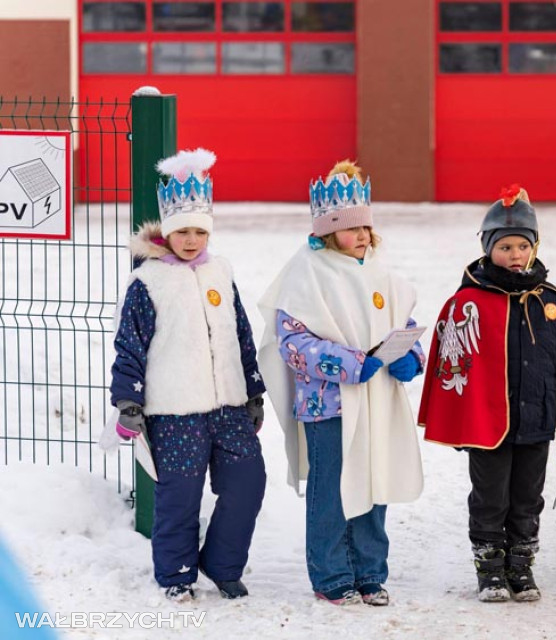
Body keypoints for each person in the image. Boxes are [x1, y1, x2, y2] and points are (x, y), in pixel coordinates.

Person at [258, 160, 424, 607]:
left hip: (376, 402)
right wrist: (350, 364)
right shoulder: (306, 274)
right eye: (351, 230)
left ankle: (370, 570)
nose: (362, 236)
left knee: (374, 483)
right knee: (331, 490)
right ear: (329, 233)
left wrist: (410, 355)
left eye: (366, 228)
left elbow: (401, 323)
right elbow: (292, 343)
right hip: (328, 406)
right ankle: (331, 573)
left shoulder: (381, 275)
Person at [110, 148, 267, 602]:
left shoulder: (221, 272)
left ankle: (222, 564)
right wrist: (129, 402)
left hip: (229, 406)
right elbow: (129, 345)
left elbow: (240, 334)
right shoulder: (149, 282)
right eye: (183, 231)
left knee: (248, 483)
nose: (192, 239)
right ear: (167, 232)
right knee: (180, 495)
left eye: (200, 230)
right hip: (175, 410)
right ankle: (177, 575)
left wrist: (253, 392)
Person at [418, 185, 556, 603]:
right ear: (488, 247)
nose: (514, 254)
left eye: (522, 246)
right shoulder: (469, 301)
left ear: (534, 247)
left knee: (528, 498)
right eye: (505, 246)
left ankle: (521, 566)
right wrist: (459, 418)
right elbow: (451, 364)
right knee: (490, 497)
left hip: (538, 420)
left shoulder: (549, 300)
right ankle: (490, 568)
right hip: (487, 422)